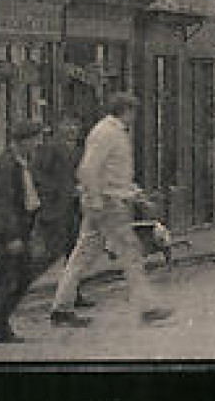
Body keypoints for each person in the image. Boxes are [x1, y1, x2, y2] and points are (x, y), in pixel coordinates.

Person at [48, 93, 170, 327]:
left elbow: (115, 174)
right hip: (107, 204)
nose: (134, 117)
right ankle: (147, 308)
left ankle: (61, 309)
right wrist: (95, 200)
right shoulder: (106, 132)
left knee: (82, 256)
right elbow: (87, 169)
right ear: (125, 110)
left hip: (107, 201)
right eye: (133, 111)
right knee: (130, 254)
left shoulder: (112, 132)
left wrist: (137, 196)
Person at [0, 120, 47, 344]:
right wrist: (12, 237)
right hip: (4, 234)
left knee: (18, 276)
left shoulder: (21, 162)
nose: (39, 143)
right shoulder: (7, 165)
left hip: (18, 230)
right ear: (24, 141)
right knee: (10, 278)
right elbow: (1, 204)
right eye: (36, 139)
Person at [30, 116, 95, 307]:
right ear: (59, 128)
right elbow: (38, 176)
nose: (72, 129)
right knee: (50, 254)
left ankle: (73, 294)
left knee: (73, 253)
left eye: (75, 124)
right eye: (67, 125)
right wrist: (61, 191)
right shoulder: (50, 149)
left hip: (74, 210)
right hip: (55, 210)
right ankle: (16, 289)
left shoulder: (79, 151)